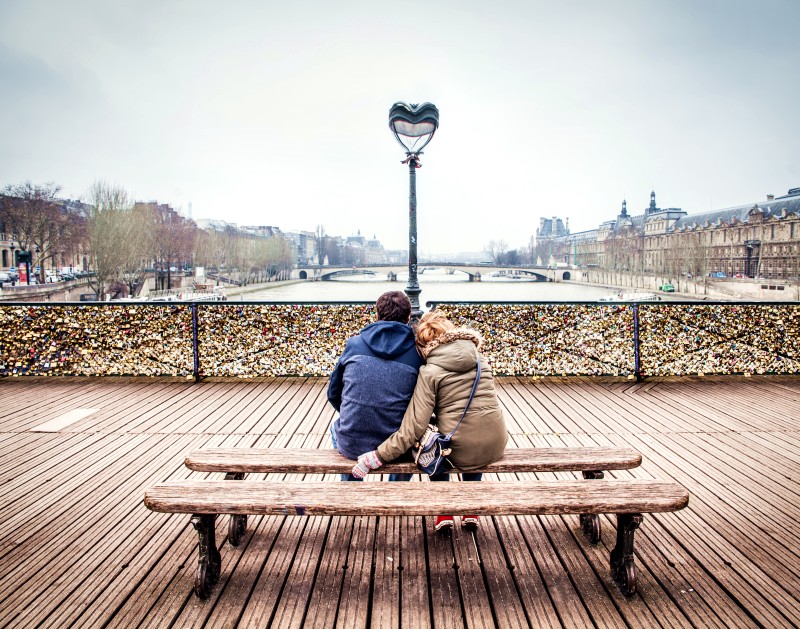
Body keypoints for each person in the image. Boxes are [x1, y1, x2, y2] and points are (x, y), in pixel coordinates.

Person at [352, 310, 508, 532]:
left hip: (458, 448)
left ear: (424, 346)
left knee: (435, 444)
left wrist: (378, 456)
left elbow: (414, 426)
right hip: (496, 441)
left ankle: (443, 510)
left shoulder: (430, 371)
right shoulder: (480, 360)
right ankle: (470, 510)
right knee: (475, 433)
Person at [328, 291, 423, 481]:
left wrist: (355, 411)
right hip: (397, 445)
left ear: (377, 315)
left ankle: (351, 489)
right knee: (406, 442)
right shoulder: (417, 353)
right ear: (408, 317)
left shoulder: (354, 344)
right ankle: (396, 493)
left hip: (353, 442)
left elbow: (333, 393)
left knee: (335, 428)